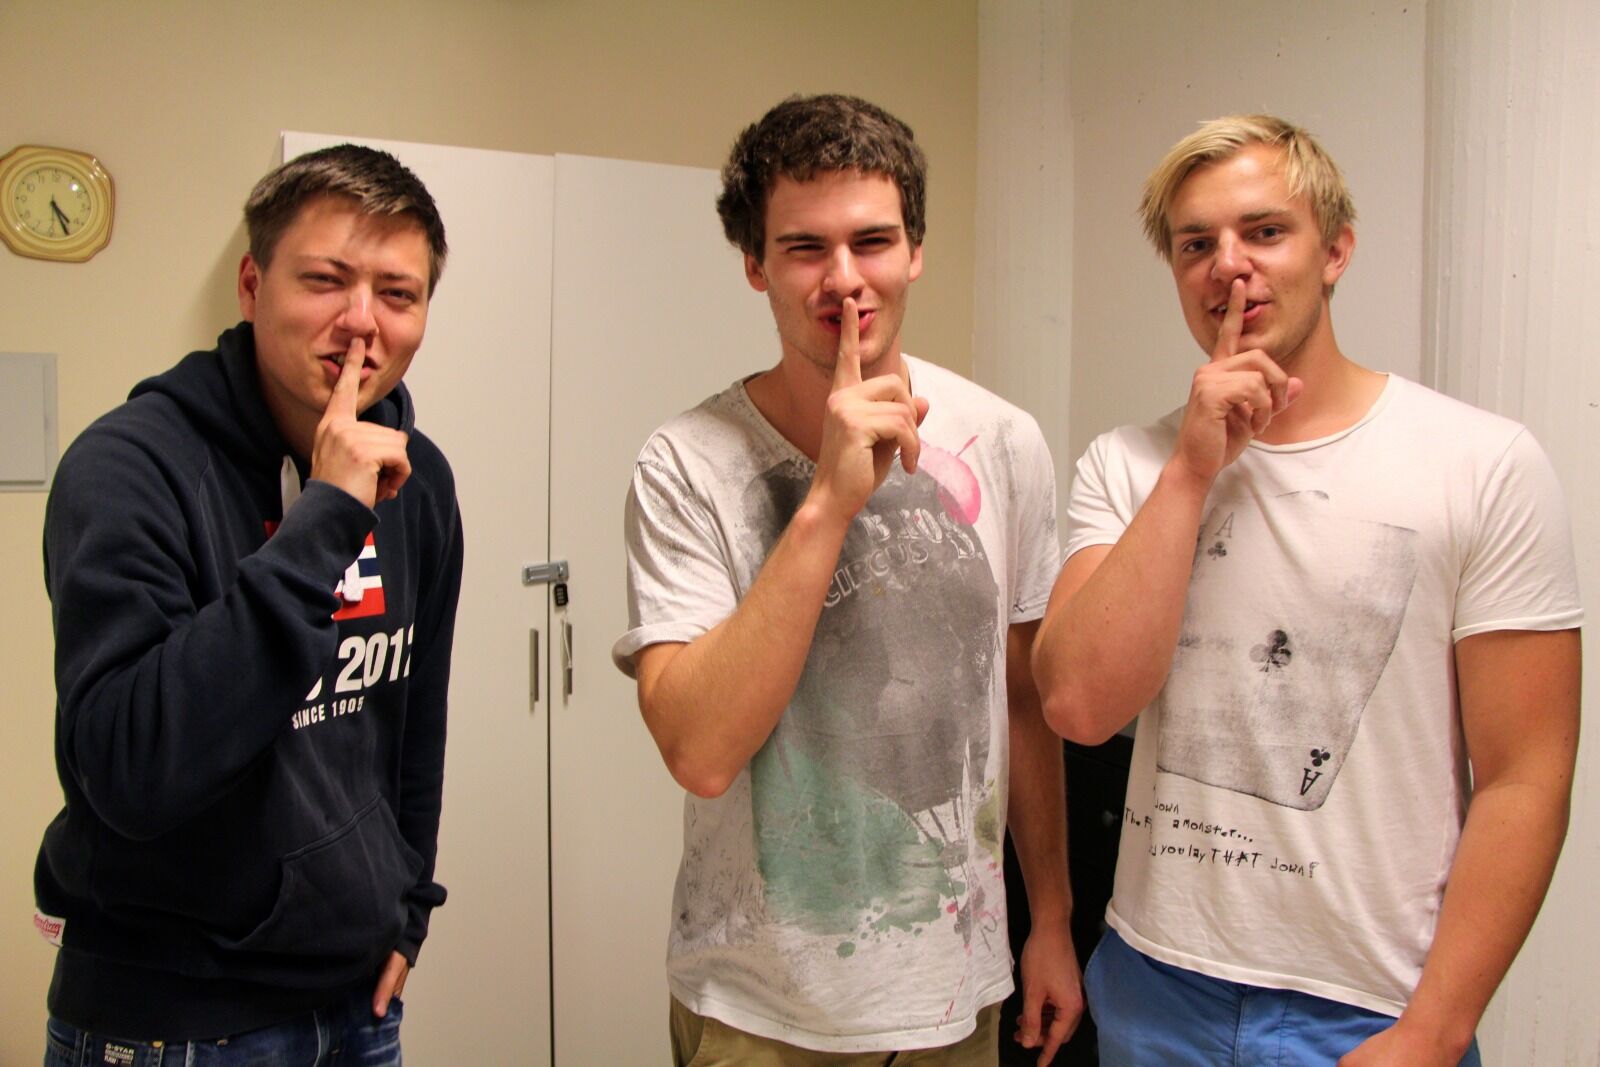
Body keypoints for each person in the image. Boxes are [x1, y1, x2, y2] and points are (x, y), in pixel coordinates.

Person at [1032, 113, 1582, 1066]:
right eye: (1196, 244)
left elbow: (1525, 777)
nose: (1228, 266)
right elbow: (1078, 706)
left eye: (1265, 232)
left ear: (1336, 251)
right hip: (1156, 987)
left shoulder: (1482, 464)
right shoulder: (1128, 464)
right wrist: (1191, 470)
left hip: (1371, 1007)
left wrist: (1436, 1028)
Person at [612, 94, 1082, 1065]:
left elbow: (1024, 700)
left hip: (960, 998)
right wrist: (826, 502)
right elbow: (700, 750)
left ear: (915, 250)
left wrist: (1051, 919)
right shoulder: (687, 462)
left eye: (872, 241)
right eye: (803, 248)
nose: (844, 279)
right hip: (759, 1012)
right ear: (755, 264)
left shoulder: (1003, 441)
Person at [34, 144, 463, 1064]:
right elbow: (133, 769)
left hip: (357, 1003)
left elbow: (411, 721)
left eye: (398, 293)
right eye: (325, 280)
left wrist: (410, 909)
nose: (362, 322)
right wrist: (325, 517)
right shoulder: (128, 467)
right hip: (172, 1018)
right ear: (252, 285)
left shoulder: (418, 479)